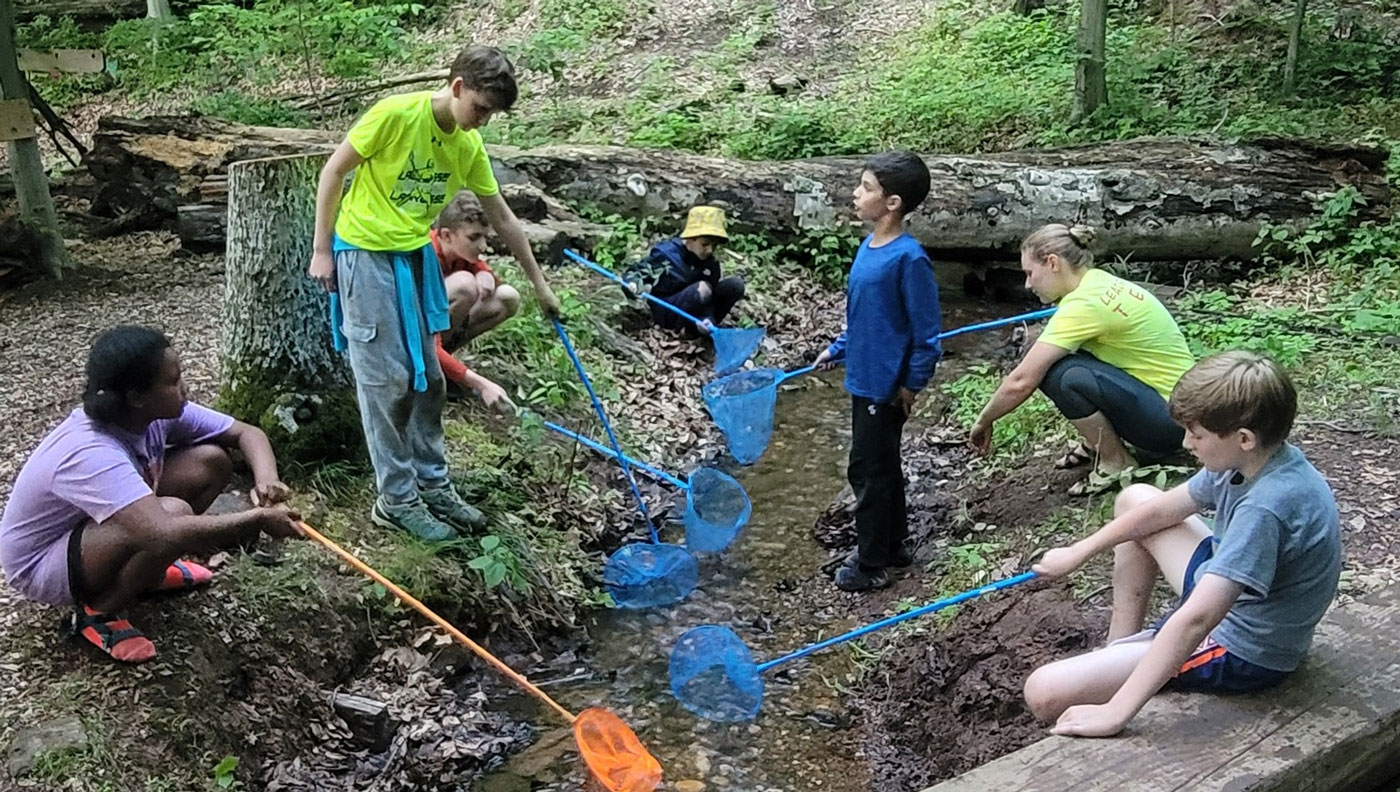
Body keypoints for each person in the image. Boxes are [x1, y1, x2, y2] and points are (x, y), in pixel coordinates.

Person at [307, 46, 558, 541]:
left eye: (491, 115)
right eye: (480, 109)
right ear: (458, 86)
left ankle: (433, 483)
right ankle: (395, 499)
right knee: (387, 382)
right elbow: (333, 170)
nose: (482, 122)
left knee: (429, 378)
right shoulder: (396, 115)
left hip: (415, 258)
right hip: (364, 253)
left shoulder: (465, 146)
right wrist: (322, 249)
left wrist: (540, 284)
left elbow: (503, 217)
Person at [1022, 351, 1341, 737]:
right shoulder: (1252, 461)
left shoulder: (1266, 508)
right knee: (1134, 499)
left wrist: (1116, 712)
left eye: (1198, 434)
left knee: (1043, 692)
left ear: (1243, 438)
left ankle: (1122, 677)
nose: (1187, 442)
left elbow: (1197, 619)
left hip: (1242, 647)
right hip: (1229, 590)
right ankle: (1118, 648)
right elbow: (1159, 512)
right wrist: (1078, 552)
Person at [0, 327, 305, 664]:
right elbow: (163, 531)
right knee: (172, 517)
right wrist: (256, 519)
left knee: (211, 462)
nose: (184, 389)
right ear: (136, 396)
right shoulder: (90, 450)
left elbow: (247, 433)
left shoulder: (150, 415)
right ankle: (98, 613)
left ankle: (148, 574)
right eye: (172, 382)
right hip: (42, 563)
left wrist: (267, 481)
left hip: (96, 529)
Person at [968, 224, 1195, 496]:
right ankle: (1096, 442)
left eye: (1030, 273)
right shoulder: (1097, 281)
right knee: (1069, 357)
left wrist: (983, 420)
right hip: (1183, 407)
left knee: (1062, 375)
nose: (1028, 284)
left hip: (1171, 423)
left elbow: (1021, 381)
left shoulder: (1084, 306)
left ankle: (1116, 462)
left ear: (1053, 263)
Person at [813, 151, 943, 592]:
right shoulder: (868, 249)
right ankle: (893, 547)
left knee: (870, 472)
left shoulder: (909, 259)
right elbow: (863, 318)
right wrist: (838, 348)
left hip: (885, 387)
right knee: (875, 466)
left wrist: (911, 384)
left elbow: (927, 333)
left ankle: (871, 565)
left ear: (893, 203)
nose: (856, 193)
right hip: (863, 377)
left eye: (866, 187)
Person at [430, 190, 519, 408]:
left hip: (436, 337)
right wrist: (477, 382)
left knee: (507, 297)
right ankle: (434, 370)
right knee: (464, 285)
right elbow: (426, 343)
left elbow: (491, 280)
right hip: (417, 341)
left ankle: (444, 365)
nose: (483, 246)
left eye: (484, 237)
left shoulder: (460, 253)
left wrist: (484, 272)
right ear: (446, 235)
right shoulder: (426, 256)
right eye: (473, 238)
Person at [623, 206, 745, 335]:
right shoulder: (666, 255)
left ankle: (704, 328)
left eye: (714, 245)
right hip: (668, 309)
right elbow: (636, 274)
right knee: (702, 288)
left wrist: (707, 318)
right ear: (692, 237)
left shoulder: (710, 264)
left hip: (697, 310)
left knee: (735, 285)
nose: (710, 250)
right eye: (705, 244)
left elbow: (708, 298)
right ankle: (684, 330)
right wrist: (632, 284)